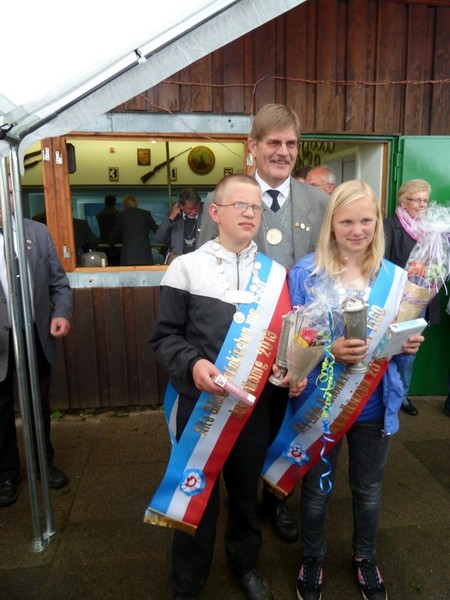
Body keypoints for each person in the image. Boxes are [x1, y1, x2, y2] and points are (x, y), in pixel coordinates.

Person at [149, 174, 305, 600]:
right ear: (215, 212)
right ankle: (187, 580)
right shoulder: (185, 267)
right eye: (240, 205)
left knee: (245, 494)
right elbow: (164, 338)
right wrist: (193, 363)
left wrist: (289, 366)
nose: (250, 213)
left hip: (254, 409)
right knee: (195, 492)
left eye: (256, 207)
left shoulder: (277, 275)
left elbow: (285, 339)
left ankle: (245, 563)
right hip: (198, 404)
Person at [196, 103, 329, 543]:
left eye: (291, 143)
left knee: (287, 432)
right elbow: (207, 273)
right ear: (252, 146)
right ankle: (244, 502)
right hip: (245, 350)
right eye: (273, 142)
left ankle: (277, 501)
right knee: (244, 439)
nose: (283, 152)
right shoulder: (224, 200)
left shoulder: (319, 202)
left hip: (300, 352)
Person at [288, 180, 424, 600]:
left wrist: (407, 342)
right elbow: (293, 340)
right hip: (320, 401)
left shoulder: (395, 277)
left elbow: (399, 339)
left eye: (366, 220)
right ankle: (313, 557)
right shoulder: (306, 273)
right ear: (331, 224)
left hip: (375, 402)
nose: (357, 230)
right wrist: (328, 349)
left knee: (368, 489)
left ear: (377, 223)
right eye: (347, 221)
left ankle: (365, 557)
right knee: (316, 489)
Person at [0, 211, 72, 507]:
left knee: (38, 403)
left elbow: (59, 282)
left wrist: (61, 312)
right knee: (1, 408)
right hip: (1, 336)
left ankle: (43, 462)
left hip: (34, 332)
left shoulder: (38, 232)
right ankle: (7, 474)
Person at [384, 178, 437, 417]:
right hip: (392, 302)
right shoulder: (389, 226)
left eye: (426, 201)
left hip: (418, 304)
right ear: (403, 202)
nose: (422, 205)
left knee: (408, 354)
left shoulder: (432, 231)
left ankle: (401, 397)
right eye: (417, 200)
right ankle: (380, 395)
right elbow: (382, 265)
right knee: (385, 351)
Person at [155, 188, 202, 263]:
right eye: (189, 209)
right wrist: (170, 219)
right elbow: (159, 239)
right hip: (178, 264)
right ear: (181, 206)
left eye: (196, 208)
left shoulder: (206, 217)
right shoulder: (174, 219)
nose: (193, 212)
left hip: (200, 264)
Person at [109, 195, 158, 266]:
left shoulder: (121, 215)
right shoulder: (146, 214)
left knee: (128, 272)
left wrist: (111, 244)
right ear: (135, 203)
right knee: (146, 272)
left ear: (125, 204)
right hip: (144, 254)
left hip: (128, 254)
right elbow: (156, 229)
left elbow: (115, 234)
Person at [95, 194, 120, 265]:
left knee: (104, 265)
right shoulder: (119, 214)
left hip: (103, 243)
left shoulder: (99, 214)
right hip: (116, 244)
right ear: (114, 202)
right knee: (116, 266)